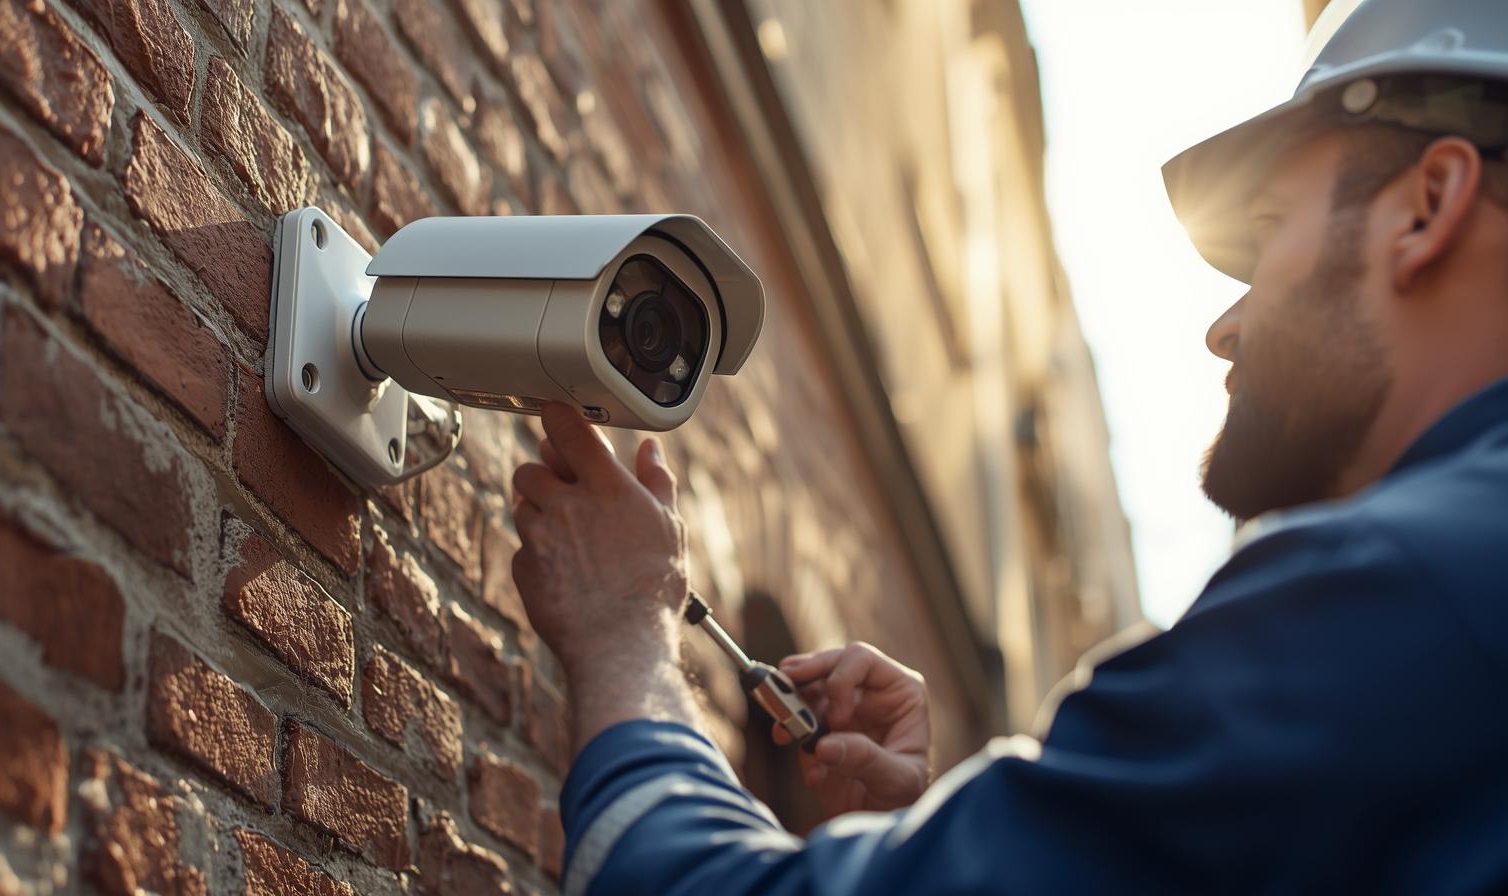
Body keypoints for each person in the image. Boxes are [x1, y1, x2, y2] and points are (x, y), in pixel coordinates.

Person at [507, 0, 1508, 892]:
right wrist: (928, 842)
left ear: (1427, 206)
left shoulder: (1394, 593)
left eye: (1271, 224)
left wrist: (623, 635)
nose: (1226, 325)